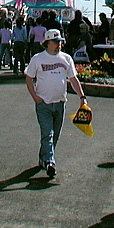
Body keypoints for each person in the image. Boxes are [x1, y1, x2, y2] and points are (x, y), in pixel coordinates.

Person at [24, 28, 86, 179]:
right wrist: (35, 97)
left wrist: (82, 96)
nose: (58, 45)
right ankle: (50, 163)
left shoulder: (66, 59)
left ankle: (43, 158)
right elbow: (29, 78)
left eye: (60, 42)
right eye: (55, 42)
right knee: (48, 133)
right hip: (43, 103)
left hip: (60, 103)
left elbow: (73, 79)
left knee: (55, 135)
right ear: (47, 43)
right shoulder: (38, 59)